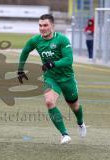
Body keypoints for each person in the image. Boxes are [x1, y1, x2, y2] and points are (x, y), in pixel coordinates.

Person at [17, 14, 86, 144]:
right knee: (49, 102)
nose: (42, 28)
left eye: (45, 25)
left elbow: (68, 60)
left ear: (53, 26)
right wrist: (20, 69)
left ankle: (81, 123)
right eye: (40, 25)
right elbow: (25, 51)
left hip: (67, 79)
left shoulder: (62, 40)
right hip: (51, 78)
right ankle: (64, 134)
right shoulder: (35, 40)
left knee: (75, 106)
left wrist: (53, 63)